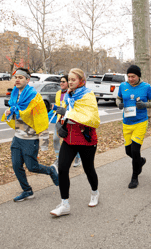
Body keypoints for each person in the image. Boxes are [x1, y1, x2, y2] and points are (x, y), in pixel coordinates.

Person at [2, 68, 59, 202]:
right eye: (16, 77)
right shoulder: (15, 94)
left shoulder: (34, 96)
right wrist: (8, 112)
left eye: (21, 77)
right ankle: (27, 191)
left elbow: (42, 119)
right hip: (17, 137)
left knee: (32, 167)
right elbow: (14, 111)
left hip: (30, 138)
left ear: (27, 80)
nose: (17, 79)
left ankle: (51, 170)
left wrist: (44, 141)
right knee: (16, 165)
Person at [50, 68, 101, 216]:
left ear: (81, 81)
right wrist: (59, 125)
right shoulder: (67, 95)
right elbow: (63, 112)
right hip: (69, 138)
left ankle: (94, 192)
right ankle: (64, 204)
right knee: (63, 168)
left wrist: (66, 113)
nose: (70, 82)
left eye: (73, 80)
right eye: (69, 80)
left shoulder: (88, 95)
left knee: (88, 169)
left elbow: (92, 119)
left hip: (86, 138)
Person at [116, 65, 151, 188]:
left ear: (138, 76)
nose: (130, 79)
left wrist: (144, 104)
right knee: (128, 151)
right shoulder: (123, 86)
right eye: (128, 76)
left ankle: (134, 177)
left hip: (140, 122)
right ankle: (140, 161)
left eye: (133, 76)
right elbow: (118, 99)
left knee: (135, 150)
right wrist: (119, 104)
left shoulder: (146, 87)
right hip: (127, 122)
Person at [49, 75, 81, 168]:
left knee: (71, 142)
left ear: (68, 83)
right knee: (55, 139)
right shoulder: (58, 93)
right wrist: (52, 110)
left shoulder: (73, 93)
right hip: (59, 120)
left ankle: (78, 157)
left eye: (63, 81)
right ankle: (59, 158)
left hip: (69, 120)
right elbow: (59, 106)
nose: (61, 83)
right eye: (60, 81)